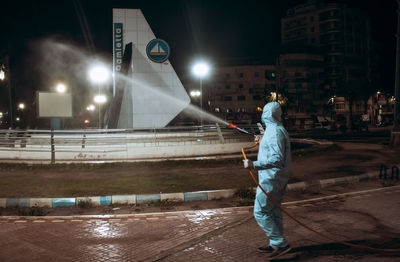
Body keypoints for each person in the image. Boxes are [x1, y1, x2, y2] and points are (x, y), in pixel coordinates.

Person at [243, 102, 292, 260]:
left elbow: (277, 159)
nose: (263, 114)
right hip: (273, 178)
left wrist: (253, 165)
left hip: (272, 179)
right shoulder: (274, 129)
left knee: (260, 211)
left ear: (269, 114)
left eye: (265, 112)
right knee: (273, 211)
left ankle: (281, 243)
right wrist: (262, 139)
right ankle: (275, 244)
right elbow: (271, 147)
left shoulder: (276, 132)